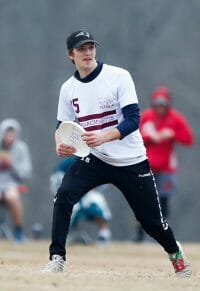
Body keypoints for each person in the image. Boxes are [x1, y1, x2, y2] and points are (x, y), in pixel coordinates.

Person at [43, 30, 191, 277]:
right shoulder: (68, 89)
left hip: (131, 161)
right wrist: (60, 144)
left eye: (91, 47)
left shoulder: (118, 76)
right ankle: (57, 258)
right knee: (64, 195)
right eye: (81, 49)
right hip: (96, 158)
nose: (88, 52)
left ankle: (176, 254)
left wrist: (104, 136)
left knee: (152, 223)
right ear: (71, 55)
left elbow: (134, 120)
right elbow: (63, 127)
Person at [133, 87, 194, 242]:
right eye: (157, 104)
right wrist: (152, 137)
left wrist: (172, 134)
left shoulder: (175, 119)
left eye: (163, 104)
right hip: (146, 166)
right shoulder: (146, 117)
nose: (160, 107)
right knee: (143, 200)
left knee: (164, 201)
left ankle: (161, 235)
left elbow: (188, 139)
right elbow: (134, 137)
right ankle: (139, 235)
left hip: (167, 168)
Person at [50, 157, 112, 244]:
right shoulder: (67, 163)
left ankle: (104, 235)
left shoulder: (95, 161)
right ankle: (63, 237)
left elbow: (103, 181)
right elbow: (56, 182)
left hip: (88, 194)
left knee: (98, 201)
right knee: (68, 207)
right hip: (72, 195)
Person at [0, 118, 32, 242]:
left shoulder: (21, 149)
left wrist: (11, 165)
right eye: (7, 133)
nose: (10, 136)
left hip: (12, 184)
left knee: (12, 197)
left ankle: (18, 230)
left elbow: (25, 174)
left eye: (12, 133)